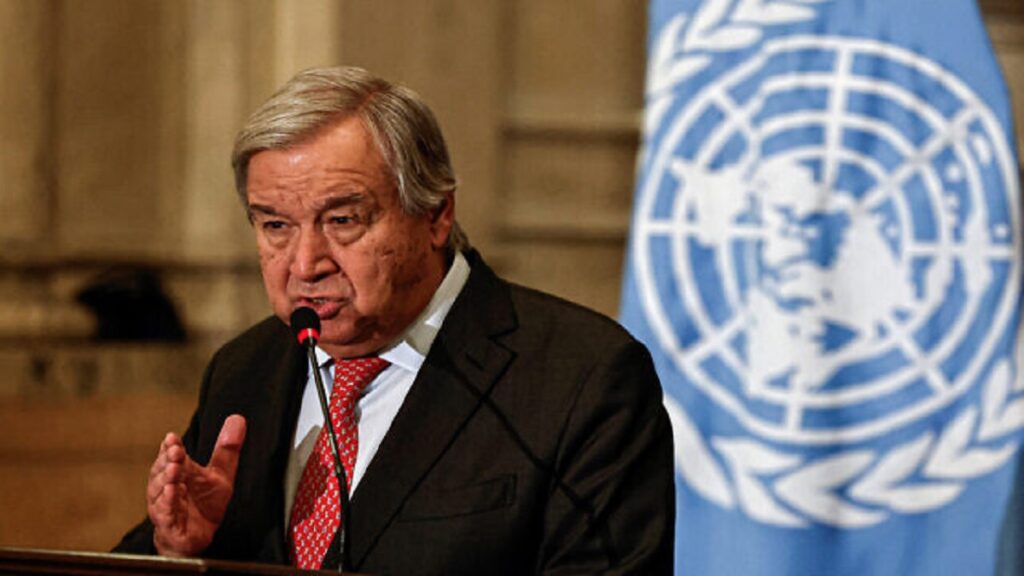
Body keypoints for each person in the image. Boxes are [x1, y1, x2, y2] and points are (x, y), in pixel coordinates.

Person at [113, 66, 675, 574]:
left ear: (435, 215)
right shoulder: (245, 370)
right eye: (276, 226)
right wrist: (180, 552)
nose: (305, 264)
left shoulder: (581, 378)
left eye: (343, 220)